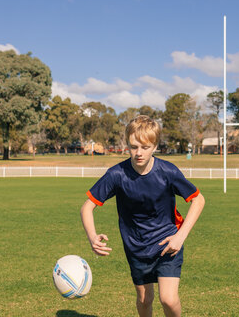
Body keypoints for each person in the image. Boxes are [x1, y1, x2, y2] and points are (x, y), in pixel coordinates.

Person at [80, 115, 205, 317]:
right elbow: (87, 207)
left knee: (169, 299)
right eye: (133, 146)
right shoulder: (116, 174)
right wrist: (92, 236)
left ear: (155, 146)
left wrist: (180, 237)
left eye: (145, 147)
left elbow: (199, 200)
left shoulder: (168, 172)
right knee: (145, 300)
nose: (139, 153)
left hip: (168, 242)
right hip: (136, 248)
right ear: (127, 144)